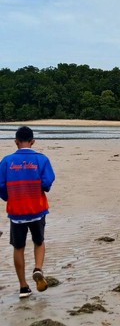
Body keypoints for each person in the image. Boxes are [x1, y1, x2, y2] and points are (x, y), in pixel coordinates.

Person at [0, 126, 55, 298]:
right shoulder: (42, 159)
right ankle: (38, 268)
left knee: (18, 247)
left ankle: (23, 287)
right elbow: (47, 183)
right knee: (39, 242)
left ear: (16, 142)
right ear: (32, 141)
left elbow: (1, 187)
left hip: (17, 213)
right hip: (37, 210)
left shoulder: (7, 161)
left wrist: (8, 197)